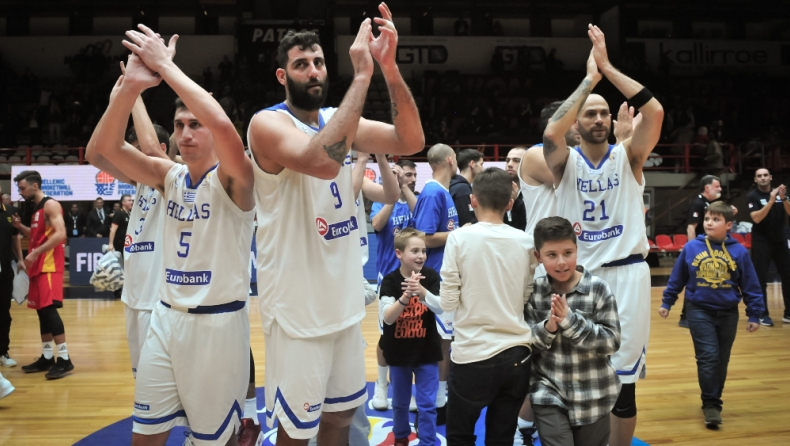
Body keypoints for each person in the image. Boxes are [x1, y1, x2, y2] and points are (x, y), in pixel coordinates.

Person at [246, 4, 424, 443]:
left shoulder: (339, 122)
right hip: (296, 312)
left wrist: (387, 67)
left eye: (320, 62)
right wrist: (361, 76)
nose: (313, 71)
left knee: (340, 422)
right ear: (282, 76)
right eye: (301, 64)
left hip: (343, 307)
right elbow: (319, 163)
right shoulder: (266, 124)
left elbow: (411, 140)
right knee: (294, 431)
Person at [91, 26, 256, 445]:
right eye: (179, 124)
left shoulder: (238, 179)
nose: (184, 133)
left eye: (194, 125)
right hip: (165, 320)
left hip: (217, 326)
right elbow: (100, 150)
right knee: (144, 436)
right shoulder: (168, 176)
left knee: (211, 441)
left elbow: (220, 119)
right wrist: (130, 88)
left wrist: (166, 67)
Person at [542, 25, 664, 446]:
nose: (597, 117)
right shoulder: (563, 162)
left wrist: (608, 67)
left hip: (627, 276)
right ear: (577, 121)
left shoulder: (629, 155)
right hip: (580, 278)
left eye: (603, 112)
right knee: (574, 376)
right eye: (588, 113)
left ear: (612, 120)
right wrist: (590, 81)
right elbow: (550, 134)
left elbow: (657, 113)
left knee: (622, 384)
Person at [439, 167, 536, 445]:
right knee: (502, 437)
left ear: (473, 201)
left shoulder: (459, 238)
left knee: (459, 435)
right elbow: (527, 296)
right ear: (509, 203)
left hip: (472, 354)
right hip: (518, 352)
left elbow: (447, 303)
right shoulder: (526, 241)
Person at [85, 78, 172, 383]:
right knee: (144, 388)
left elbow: (149, 149)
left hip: (159, 303)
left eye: (133, 152)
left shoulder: (171, 182)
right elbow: (95, 155)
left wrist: (132, 92)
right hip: (133, 299)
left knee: (170, 388)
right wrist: (115, 104)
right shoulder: (139, 183)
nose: (129, 159)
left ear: (161, 149)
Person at [659, 201, 763, 426]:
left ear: (728, 225)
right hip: (699, 310)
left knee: (721, 360)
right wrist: (668, 302)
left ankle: (715, 396)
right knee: (708, 358)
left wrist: (755, 314)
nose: (709, 223)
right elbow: (678, 277)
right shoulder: (691, 248)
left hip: (728, 313)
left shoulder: (739, 252)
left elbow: (750, 284)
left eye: (715, 220)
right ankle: (711, 404)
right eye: (707, 219)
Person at [525, 216, 621, 446]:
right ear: (538, 256)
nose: (561, 262)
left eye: (568, 253)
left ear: (576, 250)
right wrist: (548, 328)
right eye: (551, 255)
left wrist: (571, 322)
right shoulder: (534, 291)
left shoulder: (598, 288)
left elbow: (612, 341)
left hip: (594, 394)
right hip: (547, 391)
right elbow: (526, 345)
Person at [379, 227, 443, 446]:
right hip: (398, 353)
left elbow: (441, 308)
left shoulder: (431, 276)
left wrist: (422, 291)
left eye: (423, 251)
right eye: (414, 251)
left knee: (427, 404)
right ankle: (400, 437)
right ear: (399, 253)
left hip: (427, 352)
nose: (421, 256)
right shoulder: (389, 281)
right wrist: (406, 296)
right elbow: (388, 318)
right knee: (399, 403)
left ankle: (427, 441)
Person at [410, 143, 459, 411]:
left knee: (444, 339)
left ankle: (437, 394)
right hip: (436, 277)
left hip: (445, 274)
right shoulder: (432, 192)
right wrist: (461, 234)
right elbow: (424, 238)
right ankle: (435, 398)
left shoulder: (441, 192)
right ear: (451, 160)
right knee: (440, 339)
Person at [13, 170, 72, 380]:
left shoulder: (50, 204)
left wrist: (36, 252)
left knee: (49, 311)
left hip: (48, 266)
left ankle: (64, 359)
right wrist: (20, 227)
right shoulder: (36, 210)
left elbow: (61, 234)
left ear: (34, 186)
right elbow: (37, 236)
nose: (20, 192)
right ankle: (48, 356)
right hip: (37, 267)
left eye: (22, 188)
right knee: (41, 312)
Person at [369, 158, 418, 411]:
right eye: (405, 174)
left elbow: (422, 221)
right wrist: (393, 192)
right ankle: (381, 384)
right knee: (387, 335)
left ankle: (409, 390)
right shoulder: (382, 199)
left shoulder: (418, 200)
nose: (409, 178)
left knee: (414, 334)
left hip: (416, 279)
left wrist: (405, 190)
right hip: (388, 278)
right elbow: (376, 224)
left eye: (412, 175)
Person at [682, 175, 738, 327]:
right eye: (717, 186)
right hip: (700, 250)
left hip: (710, 249)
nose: (720, 189)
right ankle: (685, 316)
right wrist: (692, 249)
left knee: (704, 280)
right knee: (694, 280)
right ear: (707, 188)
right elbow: (691, 227)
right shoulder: (698, 203)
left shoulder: (710, 204)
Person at [747, 168, 790, 326]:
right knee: (760, 279)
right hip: (761, 241)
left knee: (788, 276)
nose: (763, 178)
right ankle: (761, 313)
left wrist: (783, 199)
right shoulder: (752, 196)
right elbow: (756, 219)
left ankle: (788, 313)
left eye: (765, 175)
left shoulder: (780, 194)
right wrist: (771, 200)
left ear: (771, 177)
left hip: (780, 240)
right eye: (759, 176)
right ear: (755, 179)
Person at [0, 186, 24, 368]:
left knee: (4, 313)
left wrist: (20, 259)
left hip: (4, 271)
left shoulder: (10, 212)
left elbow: (15, 238)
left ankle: (3, 352)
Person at [450, 148, 484, 226]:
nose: (483, 169)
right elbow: (467, 223)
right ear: (472, 164)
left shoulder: (455, 184)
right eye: (481, 164)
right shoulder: (462, 189)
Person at [504, 147, 527, 231]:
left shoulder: (536, 192)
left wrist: (517, 201)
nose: (509, 164)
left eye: (516, 160)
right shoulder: (497, 190)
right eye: (507, 160)